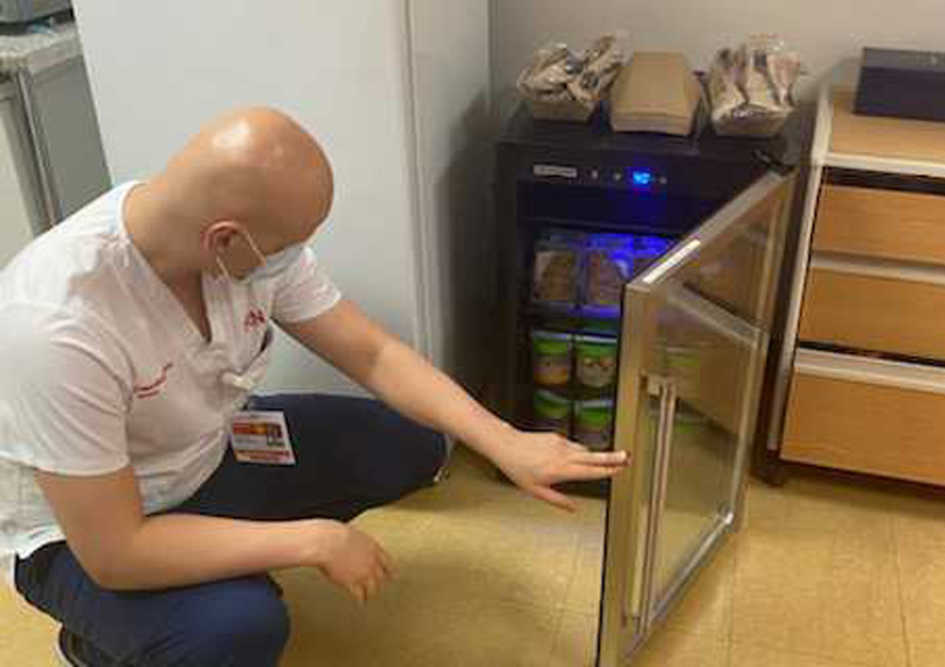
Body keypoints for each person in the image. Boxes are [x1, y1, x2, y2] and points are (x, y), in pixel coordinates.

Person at [0, 108, 629, 666]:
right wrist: (313, 539)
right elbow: (119, 551)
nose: (293, 258)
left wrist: (503, 440)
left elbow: (373, 353)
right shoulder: (56, 325)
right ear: (223, 237)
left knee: (413, 444)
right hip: (87, 534)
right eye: (284, 246)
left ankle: (219, 562)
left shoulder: (227, 244)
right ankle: (102, 645)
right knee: (236, 631)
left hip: (203, 452)